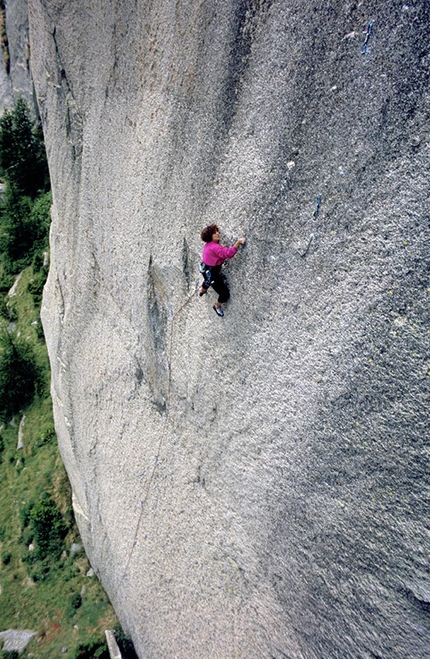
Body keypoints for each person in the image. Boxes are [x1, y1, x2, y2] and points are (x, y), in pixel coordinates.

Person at [199, 224, 246, 317]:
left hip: (205, 269)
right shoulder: (215, 247)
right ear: (211, 236)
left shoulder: (207, 245)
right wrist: (238, 242)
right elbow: (228, 254)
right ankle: (217, 305)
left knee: (207, 281)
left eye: (217, 231)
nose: (217, 233)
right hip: (213, 273)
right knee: (224, 294)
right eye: (215, 232)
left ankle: (202, 291)